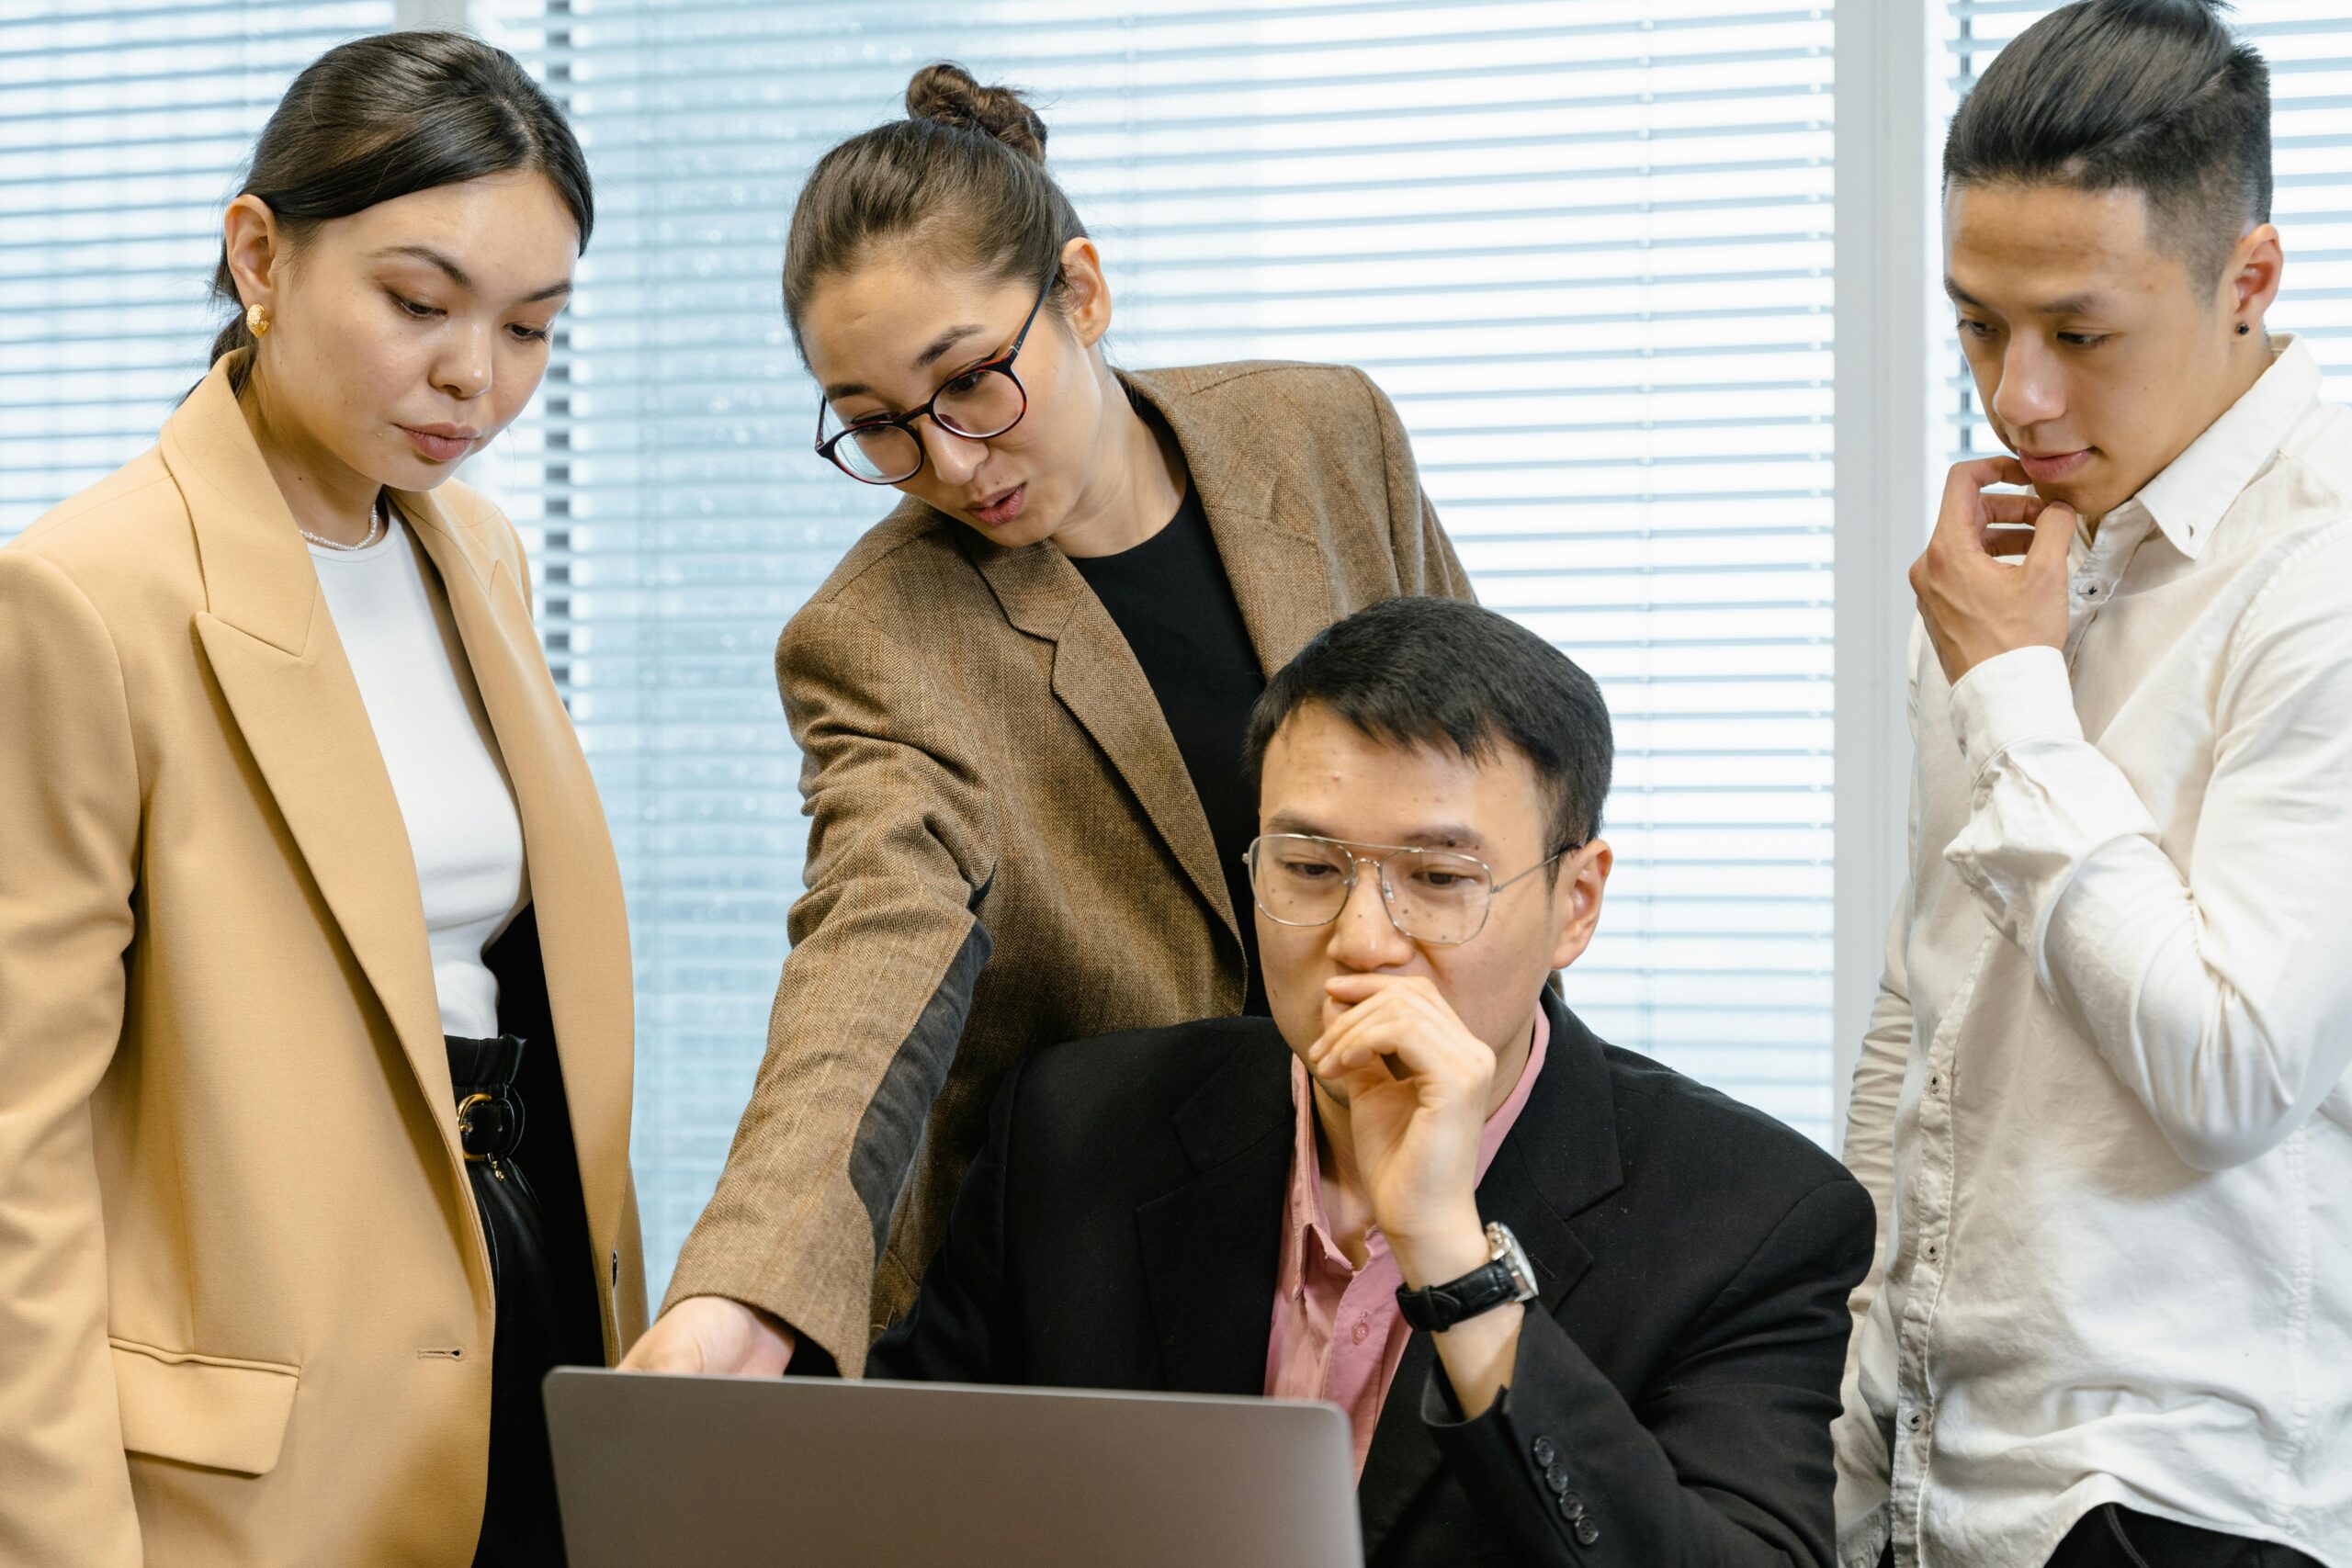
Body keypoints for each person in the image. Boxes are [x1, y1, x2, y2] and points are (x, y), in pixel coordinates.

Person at [624, 63, 1472, 1382]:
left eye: (968, 381)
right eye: (878, 428)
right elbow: (874, 942)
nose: (950, 462)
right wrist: (743, 1294)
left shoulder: (1323, 434)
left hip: (1398, 1194)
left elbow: (1488, 785)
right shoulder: (882, 630)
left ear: (1079, 290)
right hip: (1099, 1265)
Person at [0, 33, 644, 1568]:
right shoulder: (87, 597)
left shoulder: (474, 550)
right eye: (418, 303)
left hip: (534, 1315)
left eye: (530, 327)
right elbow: (20, 1150)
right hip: (268, 1454)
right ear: (259, 256)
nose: (472, 374)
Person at [868, 596, 1877, 1567]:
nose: (1361, 942)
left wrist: (1454, 1261)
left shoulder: (1754, 1218)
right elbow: (894, 1494)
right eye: (1309, 868)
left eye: (1438, 880)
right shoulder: (1076, 1126)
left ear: (1576, 903)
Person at [1835, 4, 2351, 1565]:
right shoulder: (2013, 554)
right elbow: (1928, 1003)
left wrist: (2010, 691)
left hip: (2182, 1498)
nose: (2018, 398)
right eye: (1977, 325)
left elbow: (2235, 1071)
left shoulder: (2322, 571)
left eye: (2077, 332)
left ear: (2246, 280)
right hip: (1931, 1470)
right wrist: (1842, 1396)